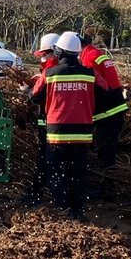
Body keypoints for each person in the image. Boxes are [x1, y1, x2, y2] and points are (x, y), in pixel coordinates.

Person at [30, 31, 106, 218]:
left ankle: (62, 210)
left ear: (59, 52)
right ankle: (78, 211)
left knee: (57, 172)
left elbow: (34, 97)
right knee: (78, 172)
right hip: (83, 132)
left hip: (57, 132)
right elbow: (105, 91)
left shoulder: (49, 73)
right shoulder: (89, 73)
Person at [79, 30, 128, 170]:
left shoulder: (88, 59)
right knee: (108, 149)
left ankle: (107, 183)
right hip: (116, 107)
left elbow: (88, 87)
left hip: (107, 112)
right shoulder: (97, 54)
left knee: (105, 151)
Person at [23, 32, 59, 205]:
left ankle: (38, 193)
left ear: (52, 52)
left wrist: (28, 90)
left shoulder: (50, 71)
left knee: (45, 157)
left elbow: (36, 96)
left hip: (49, 121)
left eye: (43, 54)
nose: (42, 58)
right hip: (64, 123)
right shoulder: (71, 69)